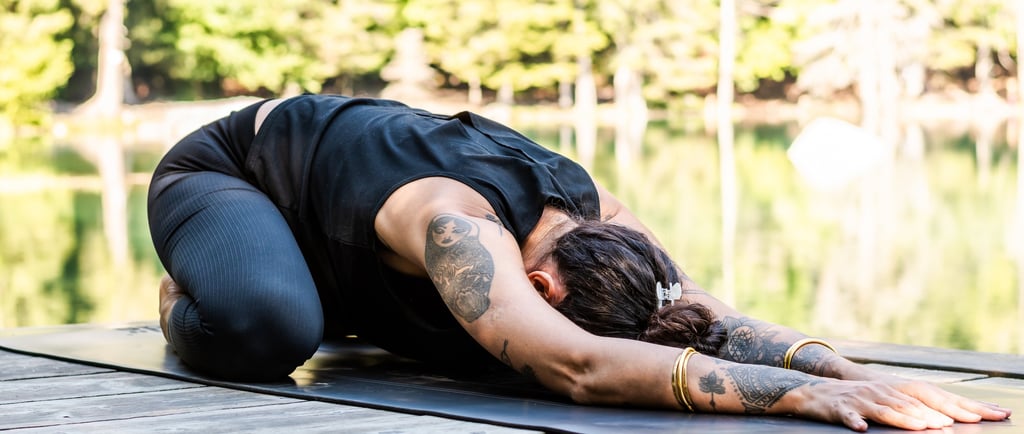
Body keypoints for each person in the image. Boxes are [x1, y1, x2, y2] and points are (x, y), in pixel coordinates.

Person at [149, 94, 1010, 432]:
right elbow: (580, 366)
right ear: (540, 284)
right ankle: (201, 286)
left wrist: (847, 371)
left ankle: (316, 284)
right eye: (548, 308)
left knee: (482, 350)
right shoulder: (459, 227)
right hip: (233, 174)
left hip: (355, 234)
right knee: (272, 329)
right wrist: (800, 398)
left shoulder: (607, 221)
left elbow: (702, 313)